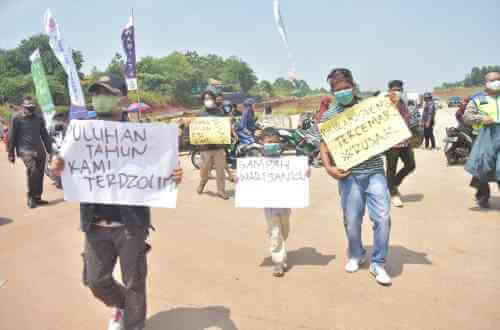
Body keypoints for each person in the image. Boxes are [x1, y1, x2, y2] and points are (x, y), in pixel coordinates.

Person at [51, 74, 184, 330]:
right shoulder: (80, 134)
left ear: (122, 99)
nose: (100, 98)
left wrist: (173, 175)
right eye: (97, 92)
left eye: (107, 92)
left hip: (131, 225)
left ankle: (134, 324)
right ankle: (124, 305)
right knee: (95, 281)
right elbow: (64, 173)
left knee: (135, 281)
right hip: (95, 223)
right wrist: (57, 167)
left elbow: (161, 174)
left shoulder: (143, 135)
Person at [318, 68, 392, 285]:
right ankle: (356, 253)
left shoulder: (369, 106)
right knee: (351, 221)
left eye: (345, 88)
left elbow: (388, 125)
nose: (342, 92)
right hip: (348, 175)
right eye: (337, 89)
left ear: (353, 86)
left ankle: (378, 262)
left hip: (375, 171)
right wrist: (329, 167)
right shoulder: (330, 115)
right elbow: (324, 144)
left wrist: (392, 105)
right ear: (332, 91)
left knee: (383, 218)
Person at [8, 96, 53, 209]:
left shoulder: (39, 118)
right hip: (25, 150)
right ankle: (31, 197)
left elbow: (44, 135)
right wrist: (11, 153)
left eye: (32, 108)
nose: (30, 110)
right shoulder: (16, 118)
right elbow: (12, 136)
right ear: (23, 107)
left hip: (39, 150)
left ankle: (37, 197)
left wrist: (50, 151)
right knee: (32, 170)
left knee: (39, 173)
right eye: (28, 108)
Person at [464, 72, 500, 209]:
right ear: (486, 82)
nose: (496, 82)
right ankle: (483, 197)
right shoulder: (479, 99)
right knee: (482, 168)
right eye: (493, 80)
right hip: (482, 139)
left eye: (498, 79)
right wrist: (481, 119)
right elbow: (467, 117)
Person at [384, 80, 416, 207]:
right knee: (391, 169)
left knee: (411, 165)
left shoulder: (403, 103)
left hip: (404, 142)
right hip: (392, 144)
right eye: (395, 89)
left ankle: (392, 184)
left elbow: (408, 119)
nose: (397, 92)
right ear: (389, 91)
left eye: (399, 90)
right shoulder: (385, 104)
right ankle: (393, 194)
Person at [197, 90, 230, 200]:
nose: (208, 101)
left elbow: (225, 128)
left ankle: (221, 191)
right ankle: (202, 183)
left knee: (220, 170)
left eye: (210, 98)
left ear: (214, 99)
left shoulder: (220, 112)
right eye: (206, 99)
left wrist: (225, 146)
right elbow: (197, 130)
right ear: (203, 101)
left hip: (218, 147)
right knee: (204, 170)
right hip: (205, 148)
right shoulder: (200, 114)